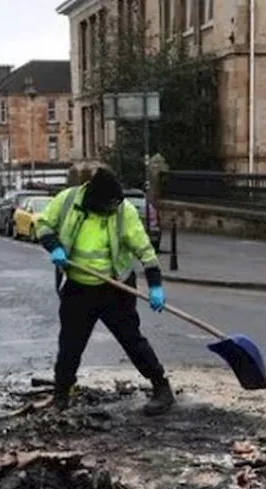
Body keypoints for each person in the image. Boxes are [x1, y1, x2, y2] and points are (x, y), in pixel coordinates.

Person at [35, 163, 175, 416]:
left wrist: (155, 286)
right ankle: (61, 395)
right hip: (78, 287)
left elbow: (145, 250)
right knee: (70, 344)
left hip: (116, 287)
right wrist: (53, 246)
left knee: (132, 340)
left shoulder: (124, 211)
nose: (112, 209)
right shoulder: (68, 201)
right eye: (107, 206)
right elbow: (43, 224)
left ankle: (162, 387)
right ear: (93, 198)